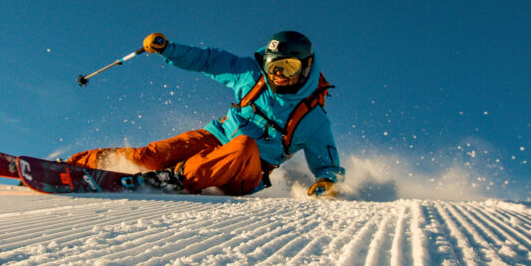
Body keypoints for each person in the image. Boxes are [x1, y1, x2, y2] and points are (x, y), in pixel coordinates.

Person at [66, 31, 345, 197]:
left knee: (244, 143)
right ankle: (75, 164)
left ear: (306, 67)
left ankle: (170, 180)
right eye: (274, 67)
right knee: (146, 157)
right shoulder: (250, 74)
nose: (279, 75)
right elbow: (207, 61)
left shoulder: (314, 119)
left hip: (248, 169)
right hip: (217, 137)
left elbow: (328, 166)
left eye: (289, 67)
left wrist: (327, 182)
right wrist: (168, 49)